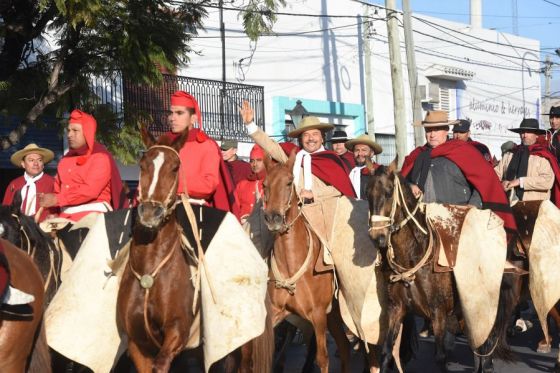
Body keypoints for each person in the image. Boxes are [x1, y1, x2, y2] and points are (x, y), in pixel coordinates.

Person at [401, 111, 516, 236]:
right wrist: (410, 185)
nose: (432, 134)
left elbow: (485, 182)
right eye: (429, 130)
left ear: (446, 130)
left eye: (437, 130)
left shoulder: (463, 151)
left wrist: (472, 207)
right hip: (423, 225)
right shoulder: (417, 155)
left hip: (457, 223)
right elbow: (401, 182)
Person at [240, 101, 355, 201]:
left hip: (323, 214)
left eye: (315, 134)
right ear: (301, 139)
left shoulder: (331, 160)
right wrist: (250, 124)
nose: (311, 138)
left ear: (322, 138)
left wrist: (313, 194)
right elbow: (270, 146)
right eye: (306, 135)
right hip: (295, 213)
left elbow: (339, 190)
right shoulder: (293, 156)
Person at [39, 110, 128, 221]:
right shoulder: (64, 160)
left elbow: (90, 191)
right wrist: (54, 212)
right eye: (69, 130)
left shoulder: (100, 157)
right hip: (65, 216)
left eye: (75, 130)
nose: (69, 135)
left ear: (87, 132)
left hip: (95, 216)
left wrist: (57, 199)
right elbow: (57, 190)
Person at [162, 90, 234, 212]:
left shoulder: (207, 145)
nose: (172, 118)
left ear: (193, 118)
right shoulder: (162, 143)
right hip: (160, 207)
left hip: (196, 208)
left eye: (179, 113)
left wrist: (171, 184)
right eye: (171, 113)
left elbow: (209, 184)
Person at [495, 118, 560, 205]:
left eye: (528, 132)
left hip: (536, 207)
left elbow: (547, 181)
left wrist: (520, 181)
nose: (524, 135)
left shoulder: (543, 157)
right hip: (508, 204)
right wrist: (501, 183)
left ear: (537, 135)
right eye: (522, 132)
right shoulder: (509, 154)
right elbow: (495, 174)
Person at [3, 143, 55, 221]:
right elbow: (5, 209)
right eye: (31, 160)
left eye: (39, 160)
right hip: (18, 229)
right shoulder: (14, 184)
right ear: (23, 164)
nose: (36, 163)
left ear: (43, 164)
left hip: (45, 229)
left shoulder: (52, 182)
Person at [233, 144, 266, 223]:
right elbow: (235, 209)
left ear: (265, 162)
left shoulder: (272, 184)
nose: (255, 164)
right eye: (252, 161)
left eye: (259, 160)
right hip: (243, 228)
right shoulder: (242, 185)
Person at [345, 134, 382, 199]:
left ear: (372, 153)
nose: (360, 154)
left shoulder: (379, 173)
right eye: (357, 150)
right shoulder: (350, 171)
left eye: (364, 150)